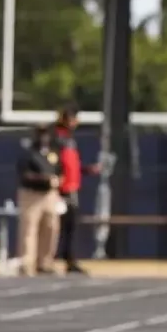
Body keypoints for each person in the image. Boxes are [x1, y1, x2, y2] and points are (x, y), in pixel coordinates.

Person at [54, 103, 100, 275]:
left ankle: (69, 258)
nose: (76, 122)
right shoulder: (57, 138)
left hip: (72, 187)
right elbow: (54, 163)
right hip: (61, 188)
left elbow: (72, 165)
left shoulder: (69, 139)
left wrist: (87, 170)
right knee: (58, 226)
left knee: (70, 226)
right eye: (73, 118)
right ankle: (56, 258)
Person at [16, 125, 62, 275]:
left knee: (50, 227)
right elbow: (25, 174)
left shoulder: (53, 153)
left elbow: (60, 170)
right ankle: (27, 262)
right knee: (29, 229)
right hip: (32, 194)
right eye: (41, 134)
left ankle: (45, 262)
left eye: (46, 134)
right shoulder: (29, 153)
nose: (44, 138)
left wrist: (58, 180)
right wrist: (44, 179)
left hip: (49, 195)